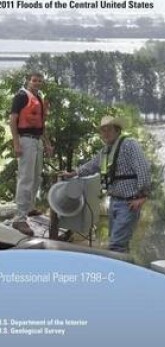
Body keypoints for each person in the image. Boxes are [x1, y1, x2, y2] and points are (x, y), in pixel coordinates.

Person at [63, 115, 151, 253]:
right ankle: (125, 271)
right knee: (118, 243)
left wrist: (143, 195)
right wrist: (73, 174)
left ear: (117, 130)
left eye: (109, 129)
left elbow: (143, 168)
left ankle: (116, 272)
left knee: (116, 245)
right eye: (103, 130)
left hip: (129, 203)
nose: (105, 133)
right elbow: (91, 166)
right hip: (114, 202)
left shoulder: (129, 144)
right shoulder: (105, 151)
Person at [10, 72, 53, 236]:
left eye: (40, 81)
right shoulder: (21, 96)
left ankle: (29, 208)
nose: (37, 83)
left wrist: (47, 143)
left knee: (36, 177)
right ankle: (19, 219)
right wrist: (16, 143)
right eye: (34, 80)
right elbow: (13, 120)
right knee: (26, 178)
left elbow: (41, 124)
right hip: (25, 140)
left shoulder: (39, 98)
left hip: (37, 140)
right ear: (28, 81)